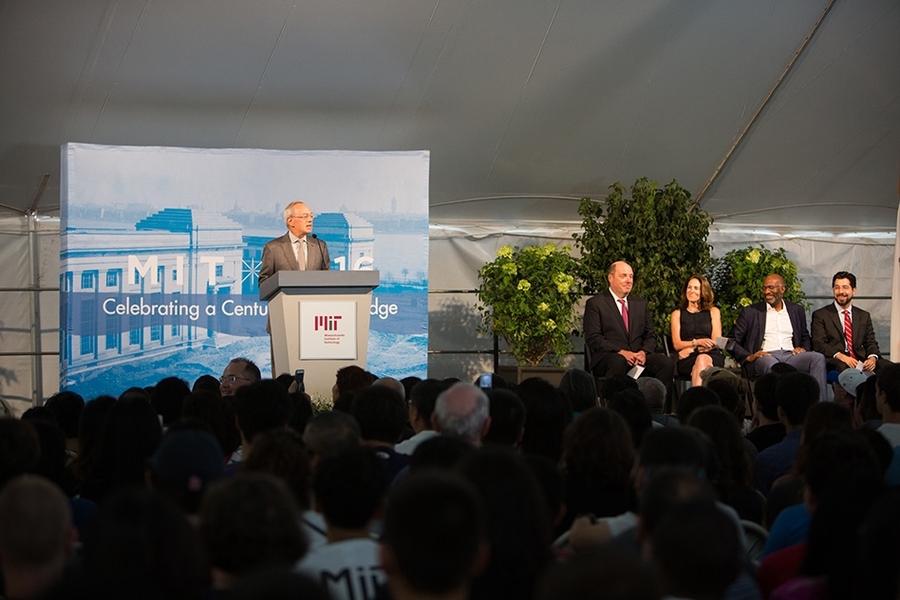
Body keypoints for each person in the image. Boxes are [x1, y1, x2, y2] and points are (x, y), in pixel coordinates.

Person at [729, 273, 828, 402]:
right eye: (764, 288)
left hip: (791, 355)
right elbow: (731, 341)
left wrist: (802, 348)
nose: (767, 292)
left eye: (771, 288)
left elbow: (804, 336)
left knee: (817, 358)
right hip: (765, 356)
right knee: (775, 367)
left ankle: (820, 409)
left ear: (782, 289)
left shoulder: (796, 310)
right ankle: (782, 410)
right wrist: (748, 356)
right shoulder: (751, 312)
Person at [583, 261, 674, 388]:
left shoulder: (640, 304)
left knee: (666, 363)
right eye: (623, 276)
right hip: (610, 357)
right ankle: (616, 405)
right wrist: (621, 352)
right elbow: (593, 338)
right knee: (618, 361)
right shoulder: (596, 304)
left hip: (638, 358)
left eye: (631, 276)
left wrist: (643, 352)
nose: (629, 280)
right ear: (610, 278)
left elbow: (651, 336)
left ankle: (654, 405)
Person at [811, 271, 890, 374]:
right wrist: (842, 357)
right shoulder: (821, 315)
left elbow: (870, 342)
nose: (840, 291)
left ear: (854, 290)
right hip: (835, 360)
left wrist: (872, 358)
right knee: (846, 369)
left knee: (889, 368)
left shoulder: (863, 316)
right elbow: (819, 344)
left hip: (860, 358)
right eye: (837, 287)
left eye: (845, 287)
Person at [670, 274, 725, 386]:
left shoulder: (713, 311)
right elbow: (676, 344)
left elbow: (715, 341)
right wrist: (696, 343)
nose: (691, 291)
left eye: (696, 288)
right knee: (702, 363)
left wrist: (693, 349)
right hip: (687, 359)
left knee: (702, 360)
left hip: (710, 354)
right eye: (689, 287)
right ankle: (702, 398)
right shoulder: (677, 314)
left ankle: (696, 398)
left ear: (703, 291)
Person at [258, 201, 330, 283]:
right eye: (305, 216)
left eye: (311, 216)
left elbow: (326, 279)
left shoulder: (320, 246)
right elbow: (264, 281)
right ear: (290, 221)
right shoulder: (273, 248)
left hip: (313, 295)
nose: (310, 220)